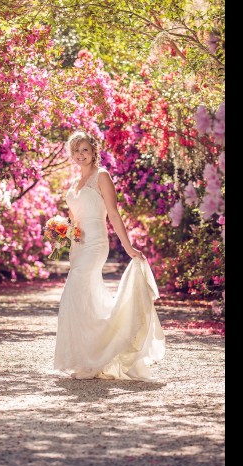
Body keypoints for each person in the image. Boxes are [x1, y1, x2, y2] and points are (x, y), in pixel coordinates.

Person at [53, 131, 165, 380]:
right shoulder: (74, 184)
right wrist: (62, 230)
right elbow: (75, 218)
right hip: (78, 245)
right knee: (85, 297)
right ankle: (88, 359)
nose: (81, 155)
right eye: (76, 151)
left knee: (77, 287)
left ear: (94, 151)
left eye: (85, 149)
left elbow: (113, 214)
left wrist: (127, 247)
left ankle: (92, 362)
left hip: (95, 244)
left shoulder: (102, 176)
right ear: (72, 155)